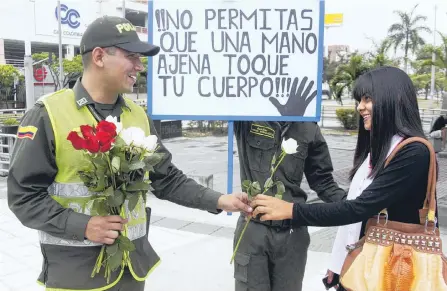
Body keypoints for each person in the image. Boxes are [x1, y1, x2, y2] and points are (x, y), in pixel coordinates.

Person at [7, 16, 252, 291]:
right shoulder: (48, 114)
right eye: (132, 56)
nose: (140, 66)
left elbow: (166, 178)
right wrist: (82, 225)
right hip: (76, 274)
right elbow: (23, 197)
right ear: (99, 56)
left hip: (131, 270)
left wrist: (219, 200)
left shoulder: (137, 116)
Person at [249, 66, 437, 290]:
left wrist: (292, 211)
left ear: (393, 99)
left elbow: (358, 208)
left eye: (368, 99)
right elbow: (354, 210)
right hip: (364, 261)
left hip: (393, 268)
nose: (360, 107)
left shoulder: (414, 152)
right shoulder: (379, 150)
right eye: (359, 100)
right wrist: (338, 263)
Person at [232, 77, 347, 291]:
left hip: (292, 234)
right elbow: (215, 99)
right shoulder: (246, 113)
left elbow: (322, 181)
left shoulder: (307, 126)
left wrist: (356, 207)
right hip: (253, 228)